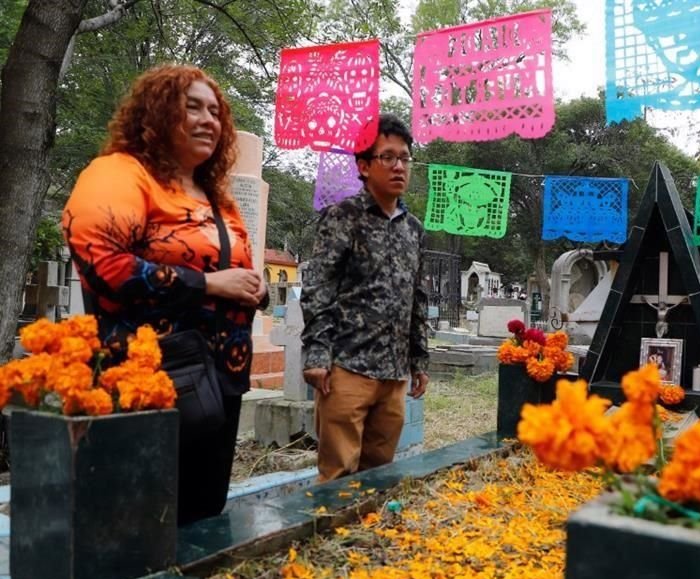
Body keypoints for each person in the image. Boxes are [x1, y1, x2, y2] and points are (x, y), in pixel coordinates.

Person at [62, 64, 267, 525]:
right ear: (155, 113)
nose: (208, 119)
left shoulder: (216, 194)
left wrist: (256, 286)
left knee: (202, 512)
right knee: (142, 518)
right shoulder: (121, 173)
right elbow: (101, 261)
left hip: (220, 383)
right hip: (155, 379)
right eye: (191, 106)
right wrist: (210, 285)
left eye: (215, 111)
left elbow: (235, 267)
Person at [301, 114, 429, 482]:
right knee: (338, 476)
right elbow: (318, 288)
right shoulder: (343, 218)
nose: (398, 166)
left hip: (393, 373)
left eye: (405, 157)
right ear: (363, 166)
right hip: (347, 368)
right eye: (387, 157)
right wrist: (317, 354)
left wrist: (419, 359)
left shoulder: (414, 229)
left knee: (379, 476)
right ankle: (329, 537)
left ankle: (365, 538)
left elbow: (416, 296)